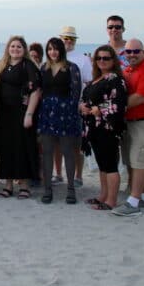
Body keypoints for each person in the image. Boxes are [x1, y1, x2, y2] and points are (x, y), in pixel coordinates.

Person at [112, 39, 144, 216]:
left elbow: (140, 97)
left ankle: (133, 203)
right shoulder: (127, 71)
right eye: (129, 52)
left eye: (136, 51)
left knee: (139, 162)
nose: (132, 54)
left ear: (143, 52)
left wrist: (114, 106)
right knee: (133, 162)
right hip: (130, 123)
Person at [0, 36, 41, 200]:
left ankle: (24, 186)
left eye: (19, 46)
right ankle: (8, 185)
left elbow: (36, 91)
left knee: (23, 148)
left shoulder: (28, 66)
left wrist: (29, 114)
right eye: (12, 46)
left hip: (22, 113)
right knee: (6, 149)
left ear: (24, 49)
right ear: (8, 48)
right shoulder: (1, 65)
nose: (15, 49)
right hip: (4, 114)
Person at [79, 45, 127, 210]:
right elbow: (87, 99)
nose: (102, 61)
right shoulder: (96, 79)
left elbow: (119, 104)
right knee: (102, 164)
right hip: (94, 128)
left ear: (113, 60)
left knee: (110, 165)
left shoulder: (115, 79)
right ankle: (103, 195)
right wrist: (83, 107)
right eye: (99, 58)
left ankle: (111, 200)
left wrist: (99, 110)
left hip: (108, 128)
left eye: (106, 58)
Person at [38, 37, 83, 205]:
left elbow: (76, 92)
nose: (52, 52)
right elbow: (39, 90)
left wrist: (71, 113)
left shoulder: (72, 68)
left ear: (61, 50)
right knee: (47, 151)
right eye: (49, 49)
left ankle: (71, 189)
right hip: (47, 113)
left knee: (68, 151)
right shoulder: (43, 68)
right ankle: (48, 189)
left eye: (55, 49)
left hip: (66, 114)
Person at [57, 26, 91, 187]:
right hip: (56, 107)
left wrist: (83, 103)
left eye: (71, 39)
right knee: (56, 142)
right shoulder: (53, 56)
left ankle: (78, 176)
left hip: (76, 107)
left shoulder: (83, 59)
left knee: (77, 144)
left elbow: (89, 82)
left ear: (75, 41)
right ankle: (58, 174)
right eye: (65, 38)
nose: (68, 41)